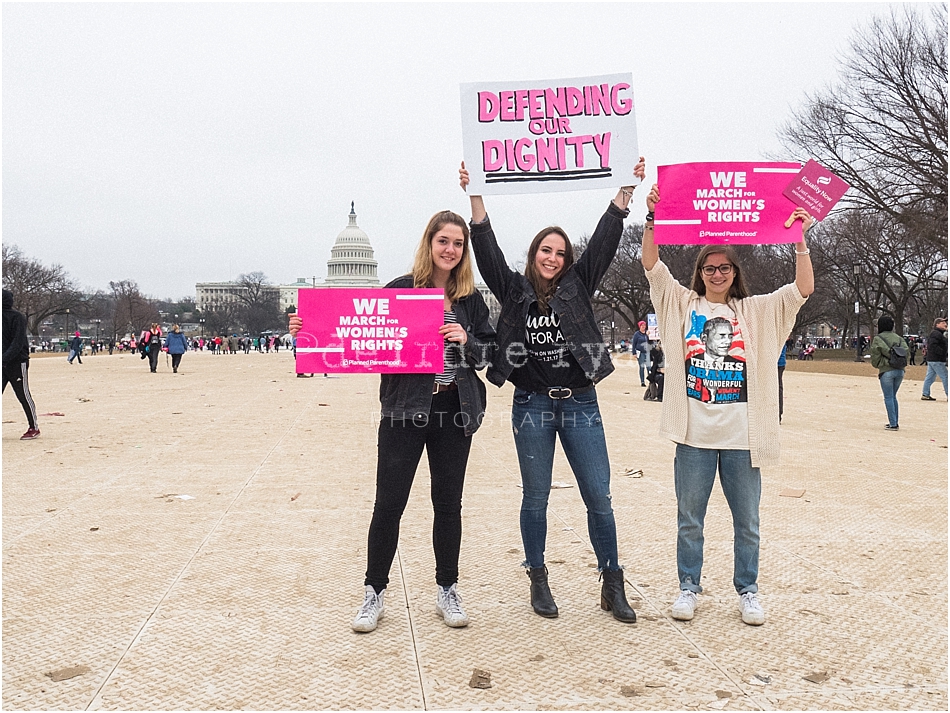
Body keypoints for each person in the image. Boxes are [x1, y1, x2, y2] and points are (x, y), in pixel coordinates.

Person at [460, 157, 646, 623]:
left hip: (581, 401)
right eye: (546, 250)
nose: (553, 258)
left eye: (561, 253)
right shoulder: (515, 291)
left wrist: (624, 194)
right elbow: (487, 251)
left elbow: (604, 243)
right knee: (536, 497)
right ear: (534, 253)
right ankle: (538, 577)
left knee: (598, 496)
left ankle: (611, 580)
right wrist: (475, 195)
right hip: (532, 405)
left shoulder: (578, 286)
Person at [290, 210, 496, 634]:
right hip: (404, 410)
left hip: (454, 409)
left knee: (448, 505)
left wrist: (467, 340)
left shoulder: (471, 300)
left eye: (458, 243)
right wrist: (306, 328)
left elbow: (491, 356)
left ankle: (447, 588)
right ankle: (374, 592)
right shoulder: (400, 291)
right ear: (430, 243)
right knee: (389, 504)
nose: (451, 250)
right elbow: (356, 333)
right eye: (444, 241)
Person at [642, 181, 814, 627]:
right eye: (709, 268)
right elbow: (652, 267)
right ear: (700, 273)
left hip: (742, 438)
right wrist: (652, 218)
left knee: (747, 523)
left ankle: (749, 590)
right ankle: (688, 587)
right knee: (690, 520)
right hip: (695, 436)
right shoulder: (682, 304)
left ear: (735, 273)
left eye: (724, 268)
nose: (717, 274)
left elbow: (802, 289)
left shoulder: (755, 311)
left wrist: (799, 240)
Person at [2, 289, 40, 439]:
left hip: (17, 362)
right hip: (3, 361)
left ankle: (34, 427)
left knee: (23, 394)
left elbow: (17, 343)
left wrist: (4, 359)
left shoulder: (17, 317)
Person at [869, 315, 908, 430]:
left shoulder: (878, 339)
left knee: (888, 397)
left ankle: (893, 423)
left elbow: (875, 356)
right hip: (900, 370)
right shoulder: (899, 338)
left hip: (886, 371)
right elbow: (906, 352)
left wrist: (882, 363)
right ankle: (894, 420)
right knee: (893, 396)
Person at [921, 317, 947, 401]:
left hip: (932, 359)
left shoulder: (937, 334)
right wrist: (943, 353)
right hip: (937, 359)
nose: (945, 324)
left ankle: (925, 394)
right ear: (937, 324)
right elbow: (933, 346)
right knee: (946, 377)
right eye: (943, 323)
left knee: (930, 377)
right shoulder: (936, 334)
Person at [631, 320, 651, 386]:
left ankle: (651, 381)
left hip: (647, 351)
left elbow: (651, 342)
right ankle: (642, 381)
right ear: (640, 326)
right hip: (640, 352)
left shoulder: (647, 333)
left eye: (644, 325)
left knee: (649, 367)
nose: (643, 327)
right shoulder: (637, 334)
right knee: (642, 367)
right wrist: (634, 353)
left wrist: (648, 336)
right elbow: (634, 343)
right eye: (642, 326)